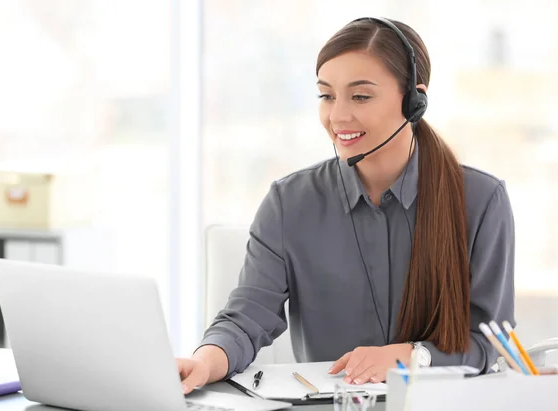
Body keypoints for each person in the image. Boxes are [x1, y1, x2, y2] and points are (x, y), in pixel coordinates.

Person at [177, 17, 515, 394]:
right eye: (326, 95)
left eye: (360, 96)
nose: (337, 116)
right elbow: (245, 319)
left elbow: (490, 342)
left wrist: (411, 356)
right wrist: (204, 361)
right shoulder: (289, 203)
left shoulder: (481, 201)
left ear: (415, 101)